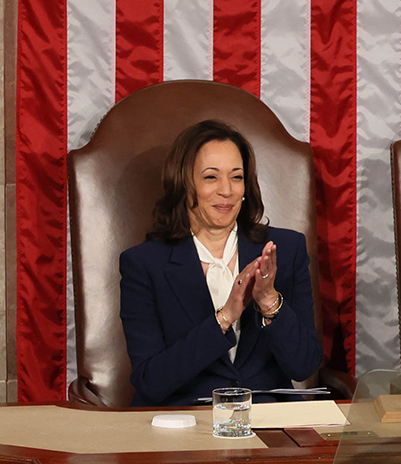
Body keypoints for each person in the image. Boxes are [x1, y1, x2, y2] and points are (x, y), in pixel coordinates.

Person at [119, 119, 323, 406]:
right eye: (211, 177)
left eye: (236, 177)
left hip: (268, 424)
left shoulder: (285, 249)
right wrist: (224, 318)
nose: (226, 190)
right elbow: (151, 382)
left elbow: (303, 366)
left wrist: (269, 302)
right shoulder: (143, 264)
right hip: (186, 426)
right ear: (183, 181)